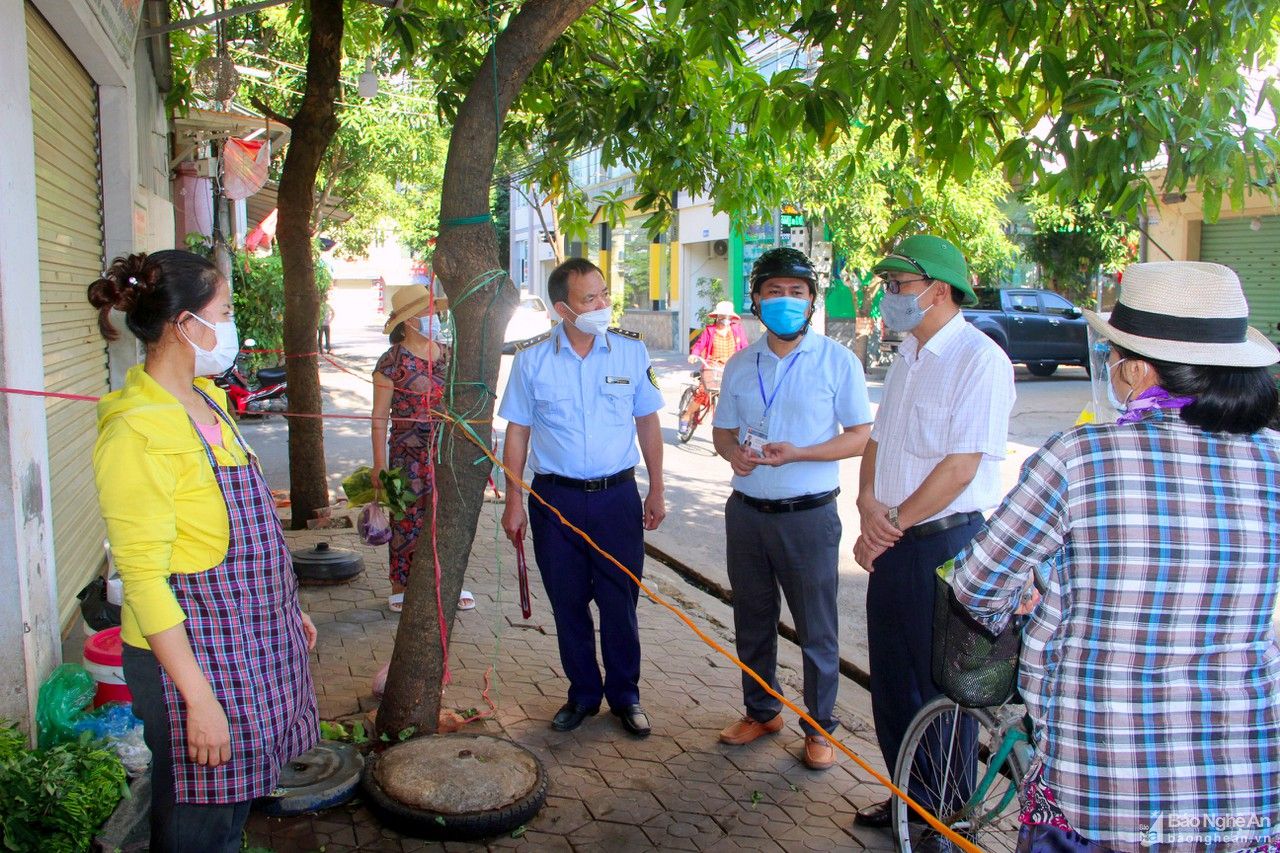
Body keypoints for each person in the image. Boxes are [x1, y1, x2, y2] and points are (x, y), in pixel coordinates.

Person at [950, 261, 1280, 852]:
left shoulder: (1079, 457)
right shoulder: (1274, 460)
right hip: (1244, 792)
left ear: (1136, 365)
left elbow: (976, 582)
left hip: (1098, 789)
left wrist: (1027, 605)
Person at [87, 251, 318, 852]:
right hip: (190, 658)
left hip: (249, 638)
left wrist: (286, 611)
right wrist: (200, 701)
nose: (233, 325)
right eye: (225, 312)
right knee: (197, 829)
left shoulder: (206, 399)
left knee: (231, 814)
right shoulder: (134, 431)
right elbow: (143, 581)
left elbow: (244, 532)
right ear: (185, 325)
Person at [851, 234, 1015, 827]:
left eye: (899, 288)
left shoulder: (979, 359)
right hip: (894, 540)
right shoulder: (907, 357)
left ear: (939, 291)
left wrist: (890, 522)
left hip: (946, 545)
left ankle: (943, 821)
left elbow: (960, 467)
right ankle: (908, 803)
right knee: (893, 683)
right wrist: (869, 504)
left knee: (941, 694)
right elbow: (877, 442)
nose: (889, 298)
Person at [711, 247, 873, 770]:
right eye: (774, 292)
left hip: (809, 517)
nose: (785, 301)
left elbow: (860, 437)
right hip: (748, 513)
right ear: (756, 301)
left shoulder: (837, 361)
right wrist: (733, 453)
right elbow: (722, 430)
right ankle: (762, 710)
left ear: (811, 301)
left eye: (796, 292)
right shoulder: (740, 363)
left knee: (816, 628)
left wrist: (800, 452)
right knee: (752, 619)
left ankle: (820, 727)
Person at [499, 257, 666, 737]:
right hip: (554, 501)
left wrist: (656, 488)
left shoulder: (630, 353)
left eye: (604, 295)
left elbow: (648, 421)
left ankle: (626, 696)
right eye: (589, 299)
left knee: (620, 602)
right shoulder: (532, 360)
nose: (601, 306)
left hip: (617, 499)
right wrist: (515, 502)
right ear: (561, 310)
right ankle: (583, 694)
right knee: (568, 602)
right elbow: (517, 433)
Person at [371, 285, 475, 613]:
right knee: (406, 517)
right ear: (409, 321)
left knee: (445, 515)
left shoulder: (448, 354)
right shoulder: (391, 362)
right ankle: (400, 584)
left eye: (434, 311)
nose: (434, 318)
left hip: (445, 452)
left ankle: (449, 581)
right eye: (426, 312)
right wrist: (378, 465)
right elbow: (378, 417)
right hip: (405, 455)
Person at [680, 300, 749, 432]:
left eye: (727, 316)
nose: (725, 318)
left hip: (732, 366)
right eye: (722, 315)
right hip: (712, 365)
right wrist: (694, 354)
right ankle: (687, 415)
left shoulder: (737, 329)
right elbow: (700, 345)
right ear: (717, 316)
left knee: (737, 394)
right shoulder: (709, 330)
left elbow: (744, 347)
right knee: (703, 392)